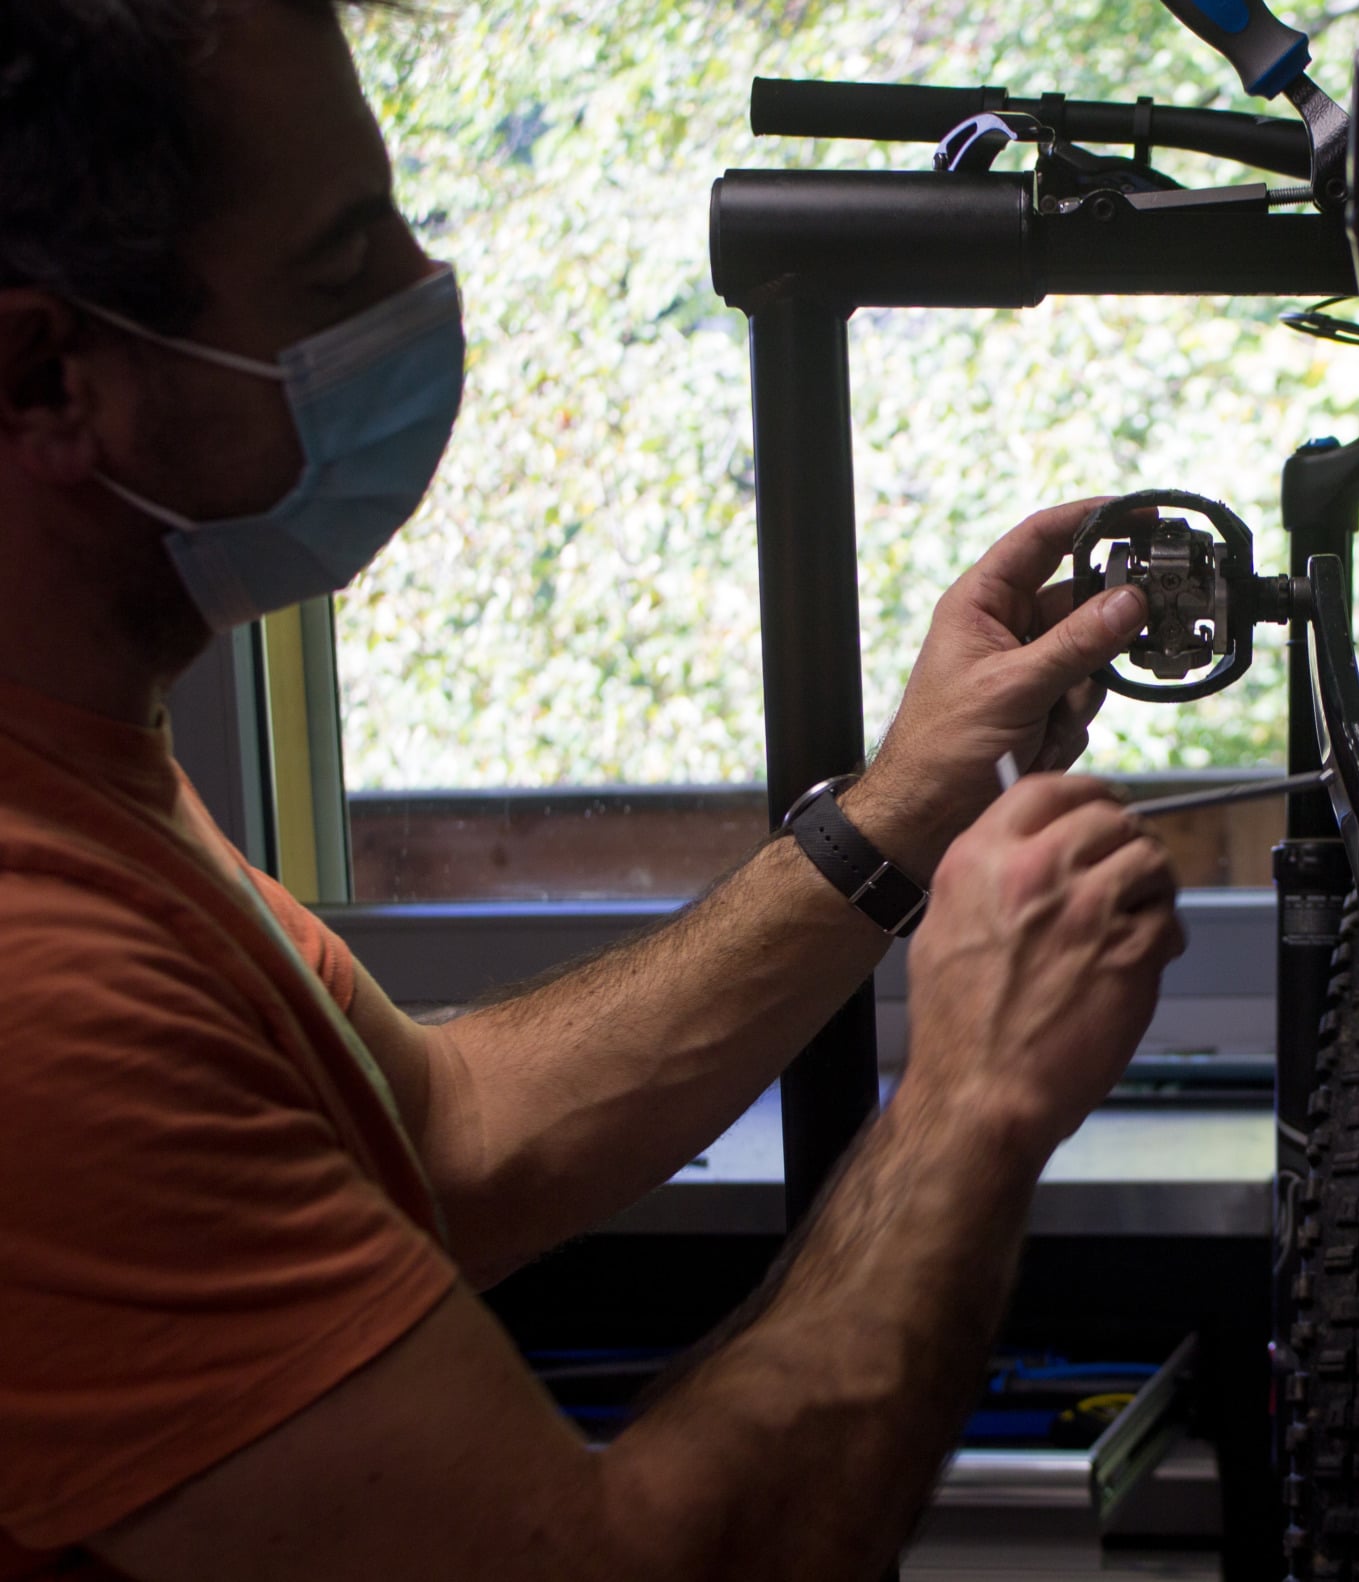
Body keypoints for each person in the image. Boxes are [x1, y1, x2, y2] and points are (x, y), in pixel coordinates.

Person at [0, 1, 1185, 1576]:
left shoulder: (77, 761)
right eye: (342, 272)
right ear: (45, 376)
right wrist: (973, 1096)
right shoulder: (38, 981)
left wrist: (904, 802)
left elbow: (450, 1134)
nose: (427, 290)